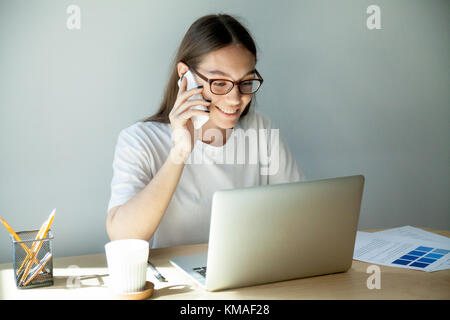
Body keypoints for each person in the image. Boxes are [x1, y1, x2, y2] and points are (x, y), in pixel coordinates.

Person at [106, 14, 305, 247]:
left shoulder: (260, 128)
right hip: (179, 278)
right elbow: (122, 237)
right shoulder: (140, 140)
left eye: (245, 83)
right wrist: (180, 152)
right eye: (219, 83)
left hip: (249, 275)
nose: (235, 99)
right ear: (185, 76)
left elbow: (300, 213)